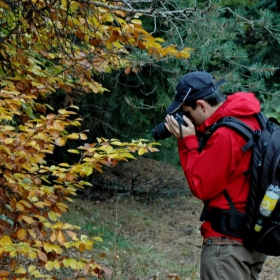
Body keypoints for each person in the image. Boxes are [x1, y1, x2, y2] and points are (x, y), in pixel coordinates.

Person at [164, 71, 267, 280]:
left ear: (202, 105)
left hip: (227, 247)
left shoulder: (225, 134)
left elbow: (201, 185)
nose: (187, 119)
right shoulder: (250, 118)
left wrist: (188, 141)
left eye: (187, 113)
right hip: (251, 237)